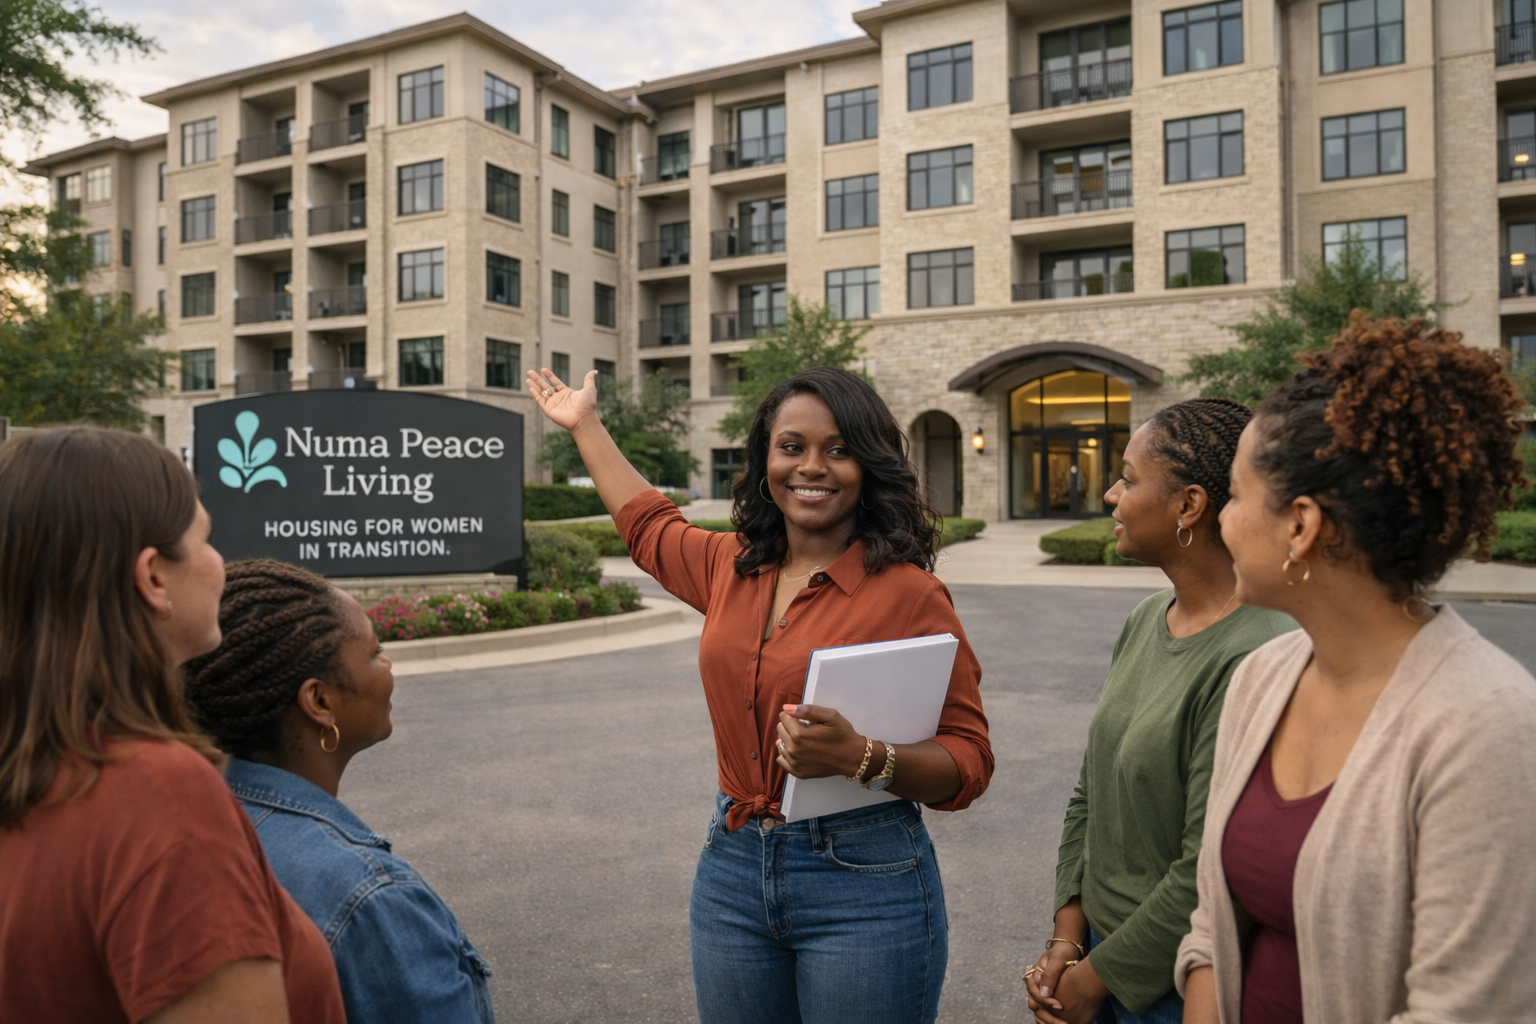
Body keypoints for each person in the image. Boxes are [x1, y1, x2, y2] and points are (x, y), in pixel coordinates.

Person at [525, 363, 992, 1024]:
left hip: (865, 880)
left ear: (869, 464)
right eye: (792, 447)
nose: (812, 467)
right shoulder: (732, 564)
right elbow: (648, 527)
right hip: (733, 869)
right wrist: (586, 425)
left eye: (838, 450)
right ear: (764, 459)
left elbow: (969, 763)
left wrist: (861, 756)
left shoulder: (910, 595)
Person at [1176, 314, 1536, 1022]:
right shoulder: (1262, 678)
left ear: (1301, 526)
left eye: (1239, 496)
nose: (1222, 518)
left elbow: (1463, 1009)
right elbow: (1211, 930)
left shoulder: (1489, 727)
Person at [0, 427, 345, 1024]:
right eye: (207, 539)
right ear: (153, 576)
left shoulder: (31, 769)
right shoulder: (157, 795)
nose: (220, 563)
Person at [1024, 399, 1295, 1024]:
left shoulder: (1257, 651)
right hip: (1092, 954)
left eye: (1129, 477)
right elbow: (1090, 792)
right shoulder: (1146, 618)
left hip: (1174, 985)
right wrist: (1068, 935)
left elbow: (1211, 863)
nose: (1112, 495)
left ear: (1188, 505)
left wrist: (1095, 979)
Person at [182, 558, 497, 1024]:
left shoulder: (185, 824)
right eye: (374, 651)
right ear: (320, 702)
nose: (387, 665)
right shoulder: (370, 900)